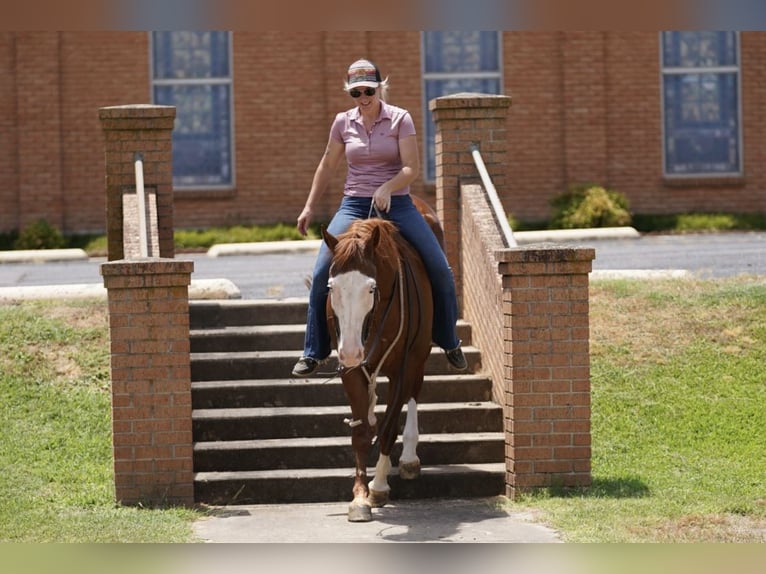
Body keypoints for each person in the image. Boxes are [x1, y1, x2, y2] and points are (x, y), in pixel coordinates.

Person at [292, 58, 467, 377]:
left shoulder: (400, 118)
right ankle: (314, 351)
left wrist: (388, 187)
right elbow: (327, 166)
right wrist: (308, 207)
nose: (363, 98)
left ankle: (448, 339)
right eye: (355, 93)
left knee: (440, 268)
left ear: (380, 87)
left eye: (368, 90)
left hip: (398, 204)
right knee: (320, 274)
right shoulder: (342, 122)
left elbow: (411, 167)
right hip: (353, 205)